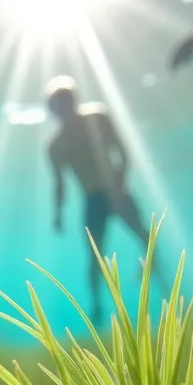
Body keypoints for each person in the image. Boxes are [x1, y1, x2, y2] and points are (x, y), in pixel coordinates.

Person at [44, 75, 157, 322]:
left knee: (145, 236)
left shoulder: (98, 117)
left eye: (66, 101)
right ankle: (96, 305)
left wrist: (119, 184)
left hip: (116, 189)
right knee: (95, 255)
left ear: (74, 100)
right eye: (58, 104)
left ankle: (160, 279)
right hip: (93, 199)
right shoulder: (56, 145)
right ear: (52, 109)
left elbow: (122, 150)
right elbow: (59, 182)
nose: (63, 109)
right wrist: (57, 214)